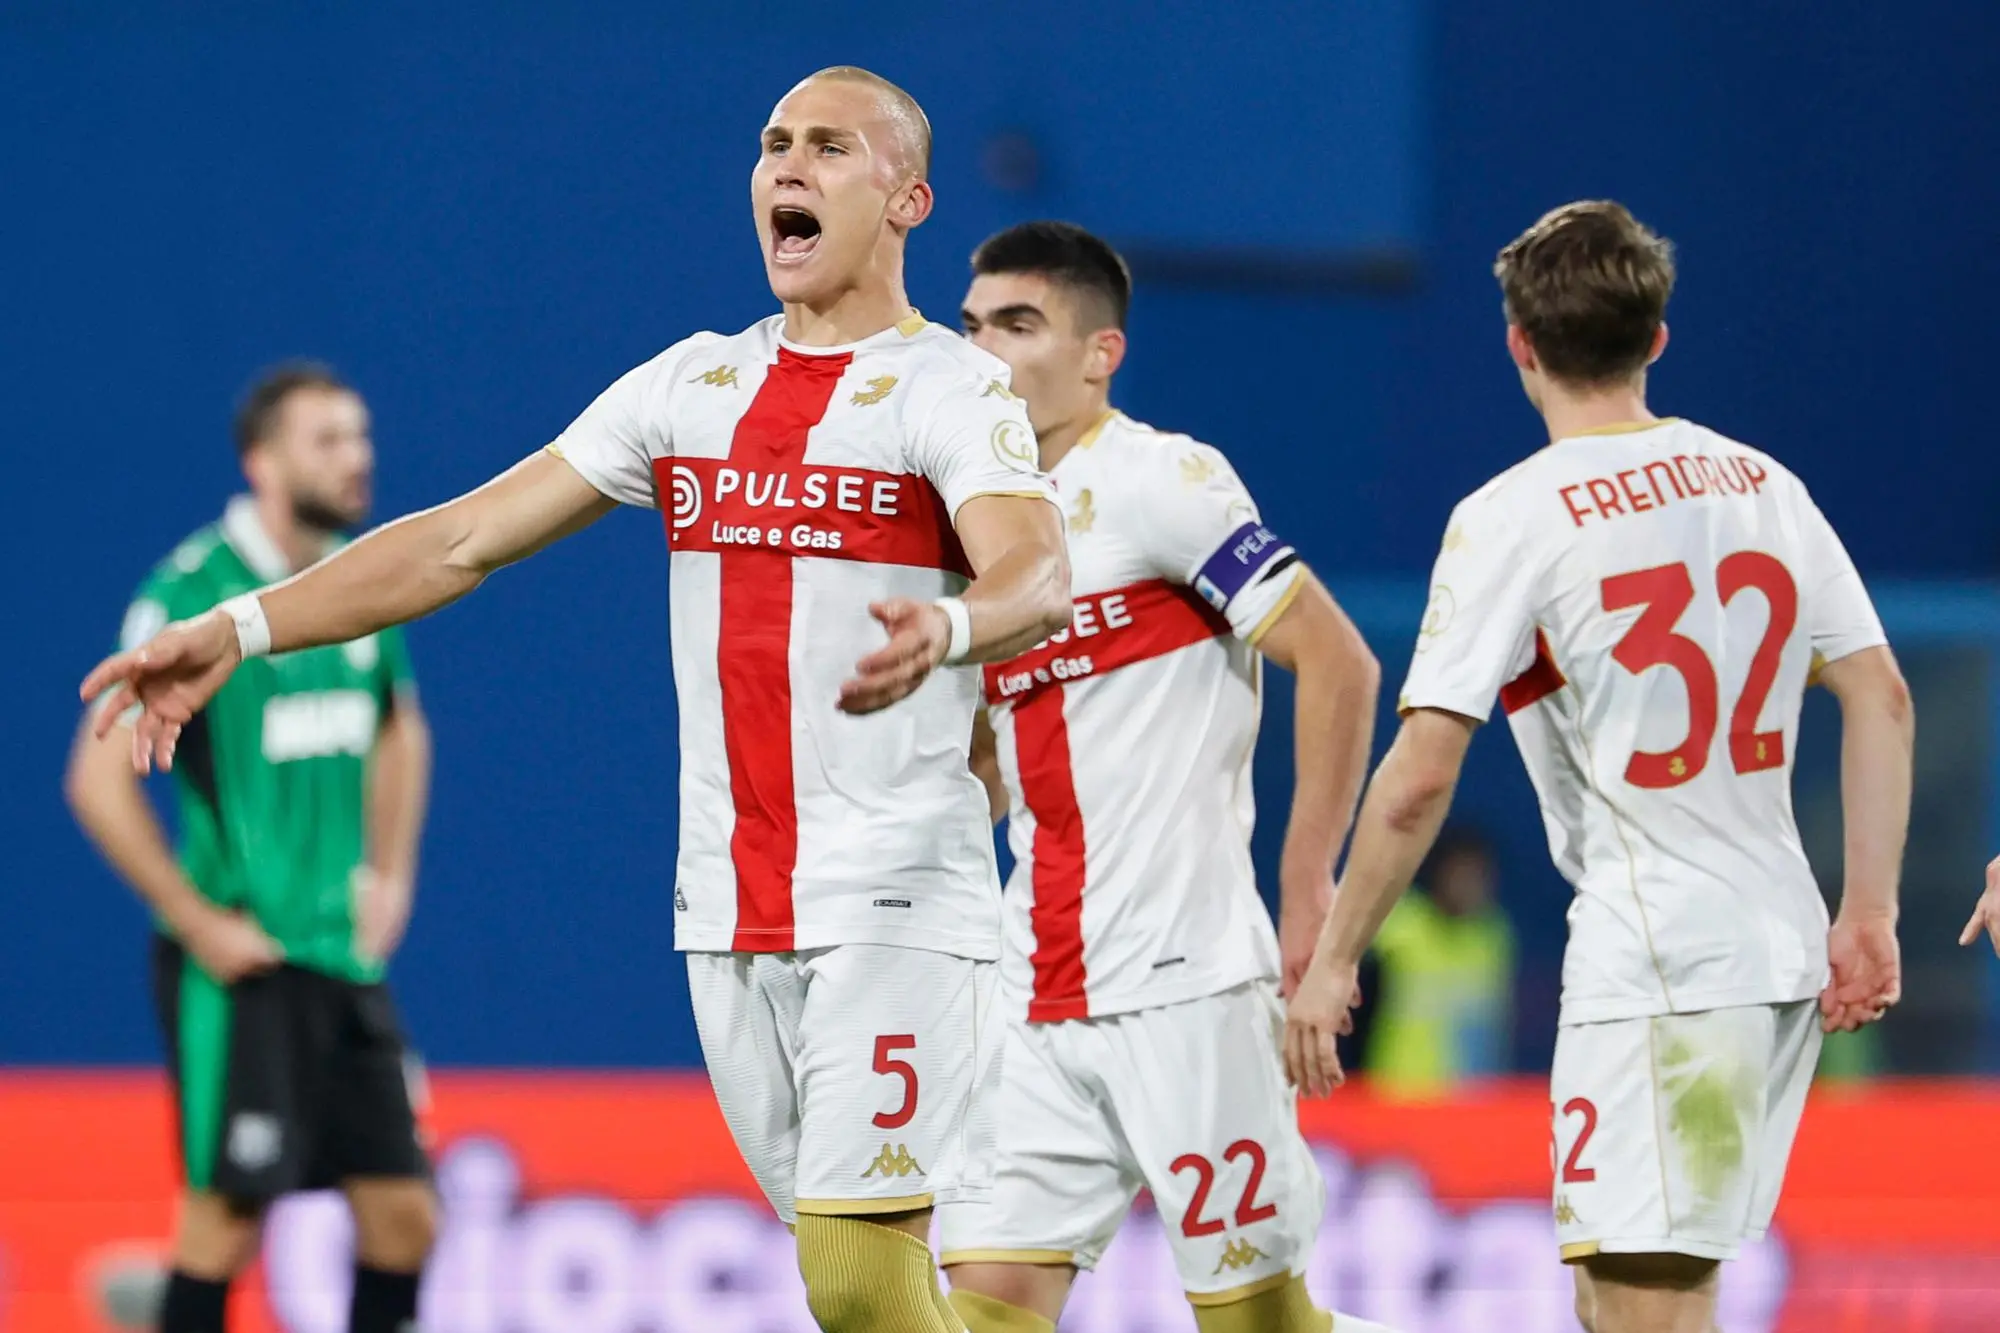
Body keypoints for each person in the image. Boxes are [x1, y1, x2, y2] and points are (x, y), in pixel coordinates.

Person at [80, 68, 1071, 1333]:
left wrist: (951, 623)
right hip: (725, 904)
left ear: (908, 199)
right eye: (774, 144)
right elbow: (458, 540)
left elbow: (1035, 573)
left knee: (858, 1281)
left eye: (830, 148)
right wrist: (239, 626)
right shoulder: (690, 387)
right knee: (873, 1297)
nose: (788, 168)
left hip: (894, 892)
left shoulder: (951, 390)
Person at [1283, 201, 1913, 1333]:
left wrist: (1332, 959)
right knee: (1623, 1293)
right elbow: (1879, 693)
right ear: (1655, 338)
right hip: (1768, 946)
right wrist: (1866, 908)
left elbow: (1421, 772)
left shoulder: (1512, 517)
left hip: (1658, 958)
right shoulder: (1761, 486)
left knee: (1639, 1304)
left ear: (1518, 343)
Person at [942, 221, 1393, 1333]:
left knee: (1256, 1324)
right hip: (1032, 991)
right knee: (985, 1304)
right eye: (970, 325)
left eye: (1016, 322)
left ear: (1100, 353)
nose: (981, 349)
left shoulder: (1159, 479)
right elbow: (1004, 758)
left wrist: (1305, 887)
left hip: (1182, 981)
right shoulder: (976, 528)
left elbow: (1336, 661)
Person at [65, 364, 437, 1333]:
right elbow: (97, 777)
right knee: (226, 1219)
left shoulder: (355, 581)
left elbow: (401, 724)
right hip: (244, 964)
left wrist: (389, 872)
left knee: (403, 1216)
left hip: (341, 956)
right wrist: (195, 920)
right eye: (328, 440)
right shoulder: (191, 595)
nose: (357, 459)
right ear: (261, 463)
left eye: (361, 436)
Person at [1360, 825, 1515, 1097]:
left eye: (1478, 876)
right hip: (1396, 1095)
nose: (1469, 886)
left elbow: (1497, 1024)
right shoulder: (1396, 928)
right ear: (1438, 873)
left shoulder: (1493, 936)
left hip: (1470, 1100)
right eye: (1460, 874)